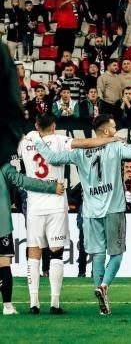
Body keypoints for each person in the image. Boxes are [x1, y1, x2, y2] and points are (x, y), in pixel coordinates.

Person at [33, 114, 131, 315]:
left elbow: (52, 158)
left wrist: (38, 141)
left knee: (97, 255)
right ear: (106, 131)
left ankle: (102, 300)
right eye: (113, 127)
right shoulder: (116, 146)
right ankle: (103, 286)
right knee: (116, 254)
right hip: (114, 209)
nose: (115, 131)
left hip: (90, 212)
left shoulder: (79, 152)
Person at [15, 115, 71, 315]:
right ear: (54, 126)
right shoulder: (60, 140)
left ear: (36, 125)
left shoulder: (25, 142)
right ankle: (55, 303)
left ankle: (34, 303)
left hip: (34, 206)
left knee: (34, 252)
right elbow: (83, 144)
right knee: (56, 253)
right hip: (56, 203)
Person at [1, 152, 63, 315]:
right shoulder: (4, 167)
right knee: (3, 263)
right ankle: (8, 306)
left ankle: (30, 303)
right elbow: (23, 181)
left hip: (20, 213)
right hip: (3, 222)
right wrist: (51, 187)